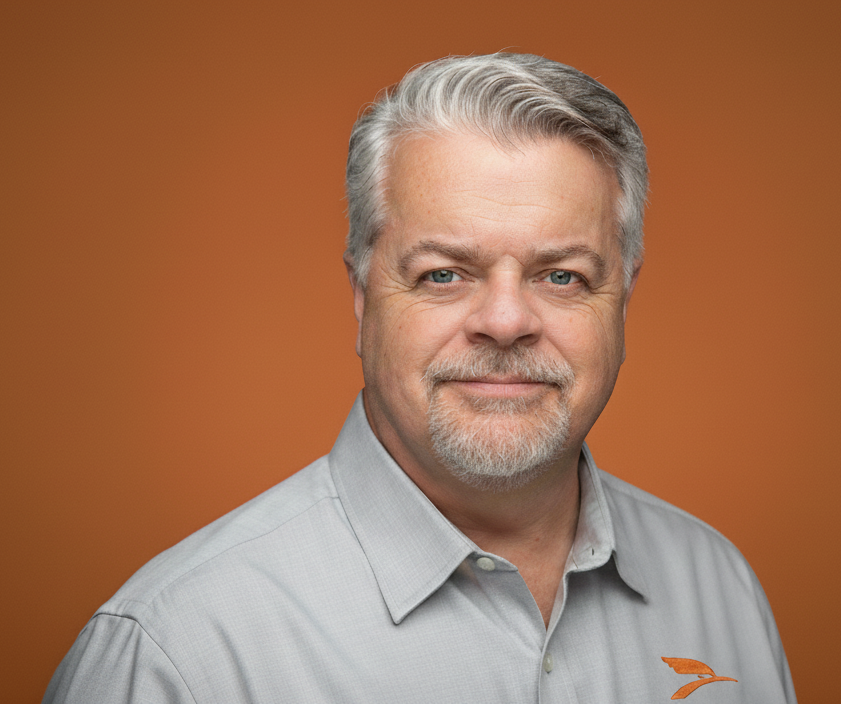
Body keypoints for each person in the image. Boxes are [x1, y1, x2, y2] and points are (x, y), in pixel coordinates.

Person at [44, 53, 796, 703]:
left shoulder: (718, 589)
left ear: (622, 299)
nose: (505, 322)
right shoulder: (179, 651)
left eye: (561, 276)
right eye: (443, 274)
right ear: (362, 295)